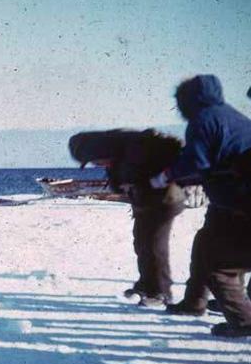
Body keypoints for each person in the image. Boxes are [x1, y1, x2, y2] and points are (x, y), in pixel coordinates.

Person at [152, 75, 251, 337]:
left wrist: (166, 176)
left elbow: (197, 163)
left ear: (189, 100)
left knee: (218, 260)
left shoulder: (203, 120)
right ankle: (195, 302)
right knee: (204, 242)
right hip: (231, 199)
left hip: (236, 201)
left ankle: (242, 321)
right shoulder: (234, 116)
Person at [69, 129, 186, 307]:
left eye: (94, 160)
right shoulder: (117, 154)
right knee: (141, 243)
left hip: (165, 199)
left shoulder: (137, 148)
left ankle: (160, 292)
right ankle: (146, 285)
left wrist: (135, 182)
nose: (95, 164)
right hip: (146, 201)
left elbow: (146, 171)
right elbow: (121, 180)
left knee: (154, 246)